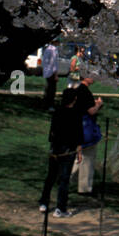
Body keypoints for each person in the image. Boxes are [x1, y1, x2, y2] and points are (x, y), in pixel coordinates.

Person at [41, 85, 82, 217]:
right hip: (67, 150)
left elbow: (52, 132)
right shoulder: (75, 114)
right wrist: (79, 150)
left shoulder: (58, 111)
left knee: (51, 176)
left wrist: (52, 147)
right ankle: (60, 208)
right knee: (64, 179)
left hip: (55, 148)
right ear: (74, 99)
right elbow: (78, 134)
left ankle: (44, 203)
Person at [72, 76, 102, 195]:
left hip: (79, 126)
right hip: (86, 128)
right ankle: (85, 188)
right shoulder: (85, 91)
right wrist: (98, 104)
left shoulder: (78, 90)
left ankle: (66, 178)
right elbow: (91, 111)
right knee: (87, 158)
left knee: (78, 158)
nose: (94, 78)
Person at [41, 39, 60, 109]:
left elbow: (44, 62)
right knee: (52, 89)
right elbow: (53, 63)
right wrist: (56, 74)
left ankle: (45, 103)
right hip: (51, 72)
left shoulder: (47, 49)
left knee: (48, 88)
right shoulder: (53, 50)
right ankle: (50, 105)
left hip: (47, 71)